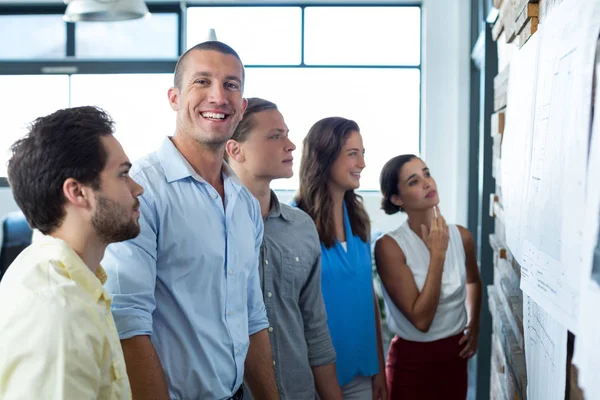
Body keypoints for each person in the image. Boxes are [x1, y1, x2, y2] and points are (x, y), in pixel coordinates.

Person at [101, 41, 279, 400]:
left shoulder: (244, 204)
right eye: (202, 82)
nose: (218, 96)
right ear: (173, 97)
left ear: (242, 106)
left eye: (231, 85)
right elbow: (127, 323)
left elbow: (253, 317)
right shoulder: (140, 190)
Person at [0, 106, 143, 399]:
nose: (138, 188)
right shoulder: (57, 311)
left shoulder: (71, 281)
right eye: (123, 175)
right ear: (77, 192)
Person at [225, 98, 342, 400]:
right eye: (275, 136)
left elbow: (314, 325)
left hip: (298, 390)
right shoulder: (209, 227)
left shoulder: (301, 227)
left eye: (287, 134)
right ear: (234, 149)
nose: (290, 145)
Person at [293, 117, 388, 400]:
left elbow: (367, 295)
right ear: (325, 156)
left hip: (362, 371)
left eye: (362, 154)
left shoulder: (359, 220)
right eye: (352, 154)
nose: (362, 163)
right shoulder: (295, 223)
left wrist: (379, 369)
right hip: (315, 377)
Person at [374, 154, 482, 400]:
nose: (427, 183)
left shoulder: (462, 236)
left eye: (426, 173)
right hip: (412, 364)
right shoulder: (389, 247)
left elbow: (473, 280)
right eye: (413, 181)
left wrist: (474, 323)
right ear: (397, 199)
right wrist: (437, 255)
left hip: (455, 359)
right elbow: (421, 320)